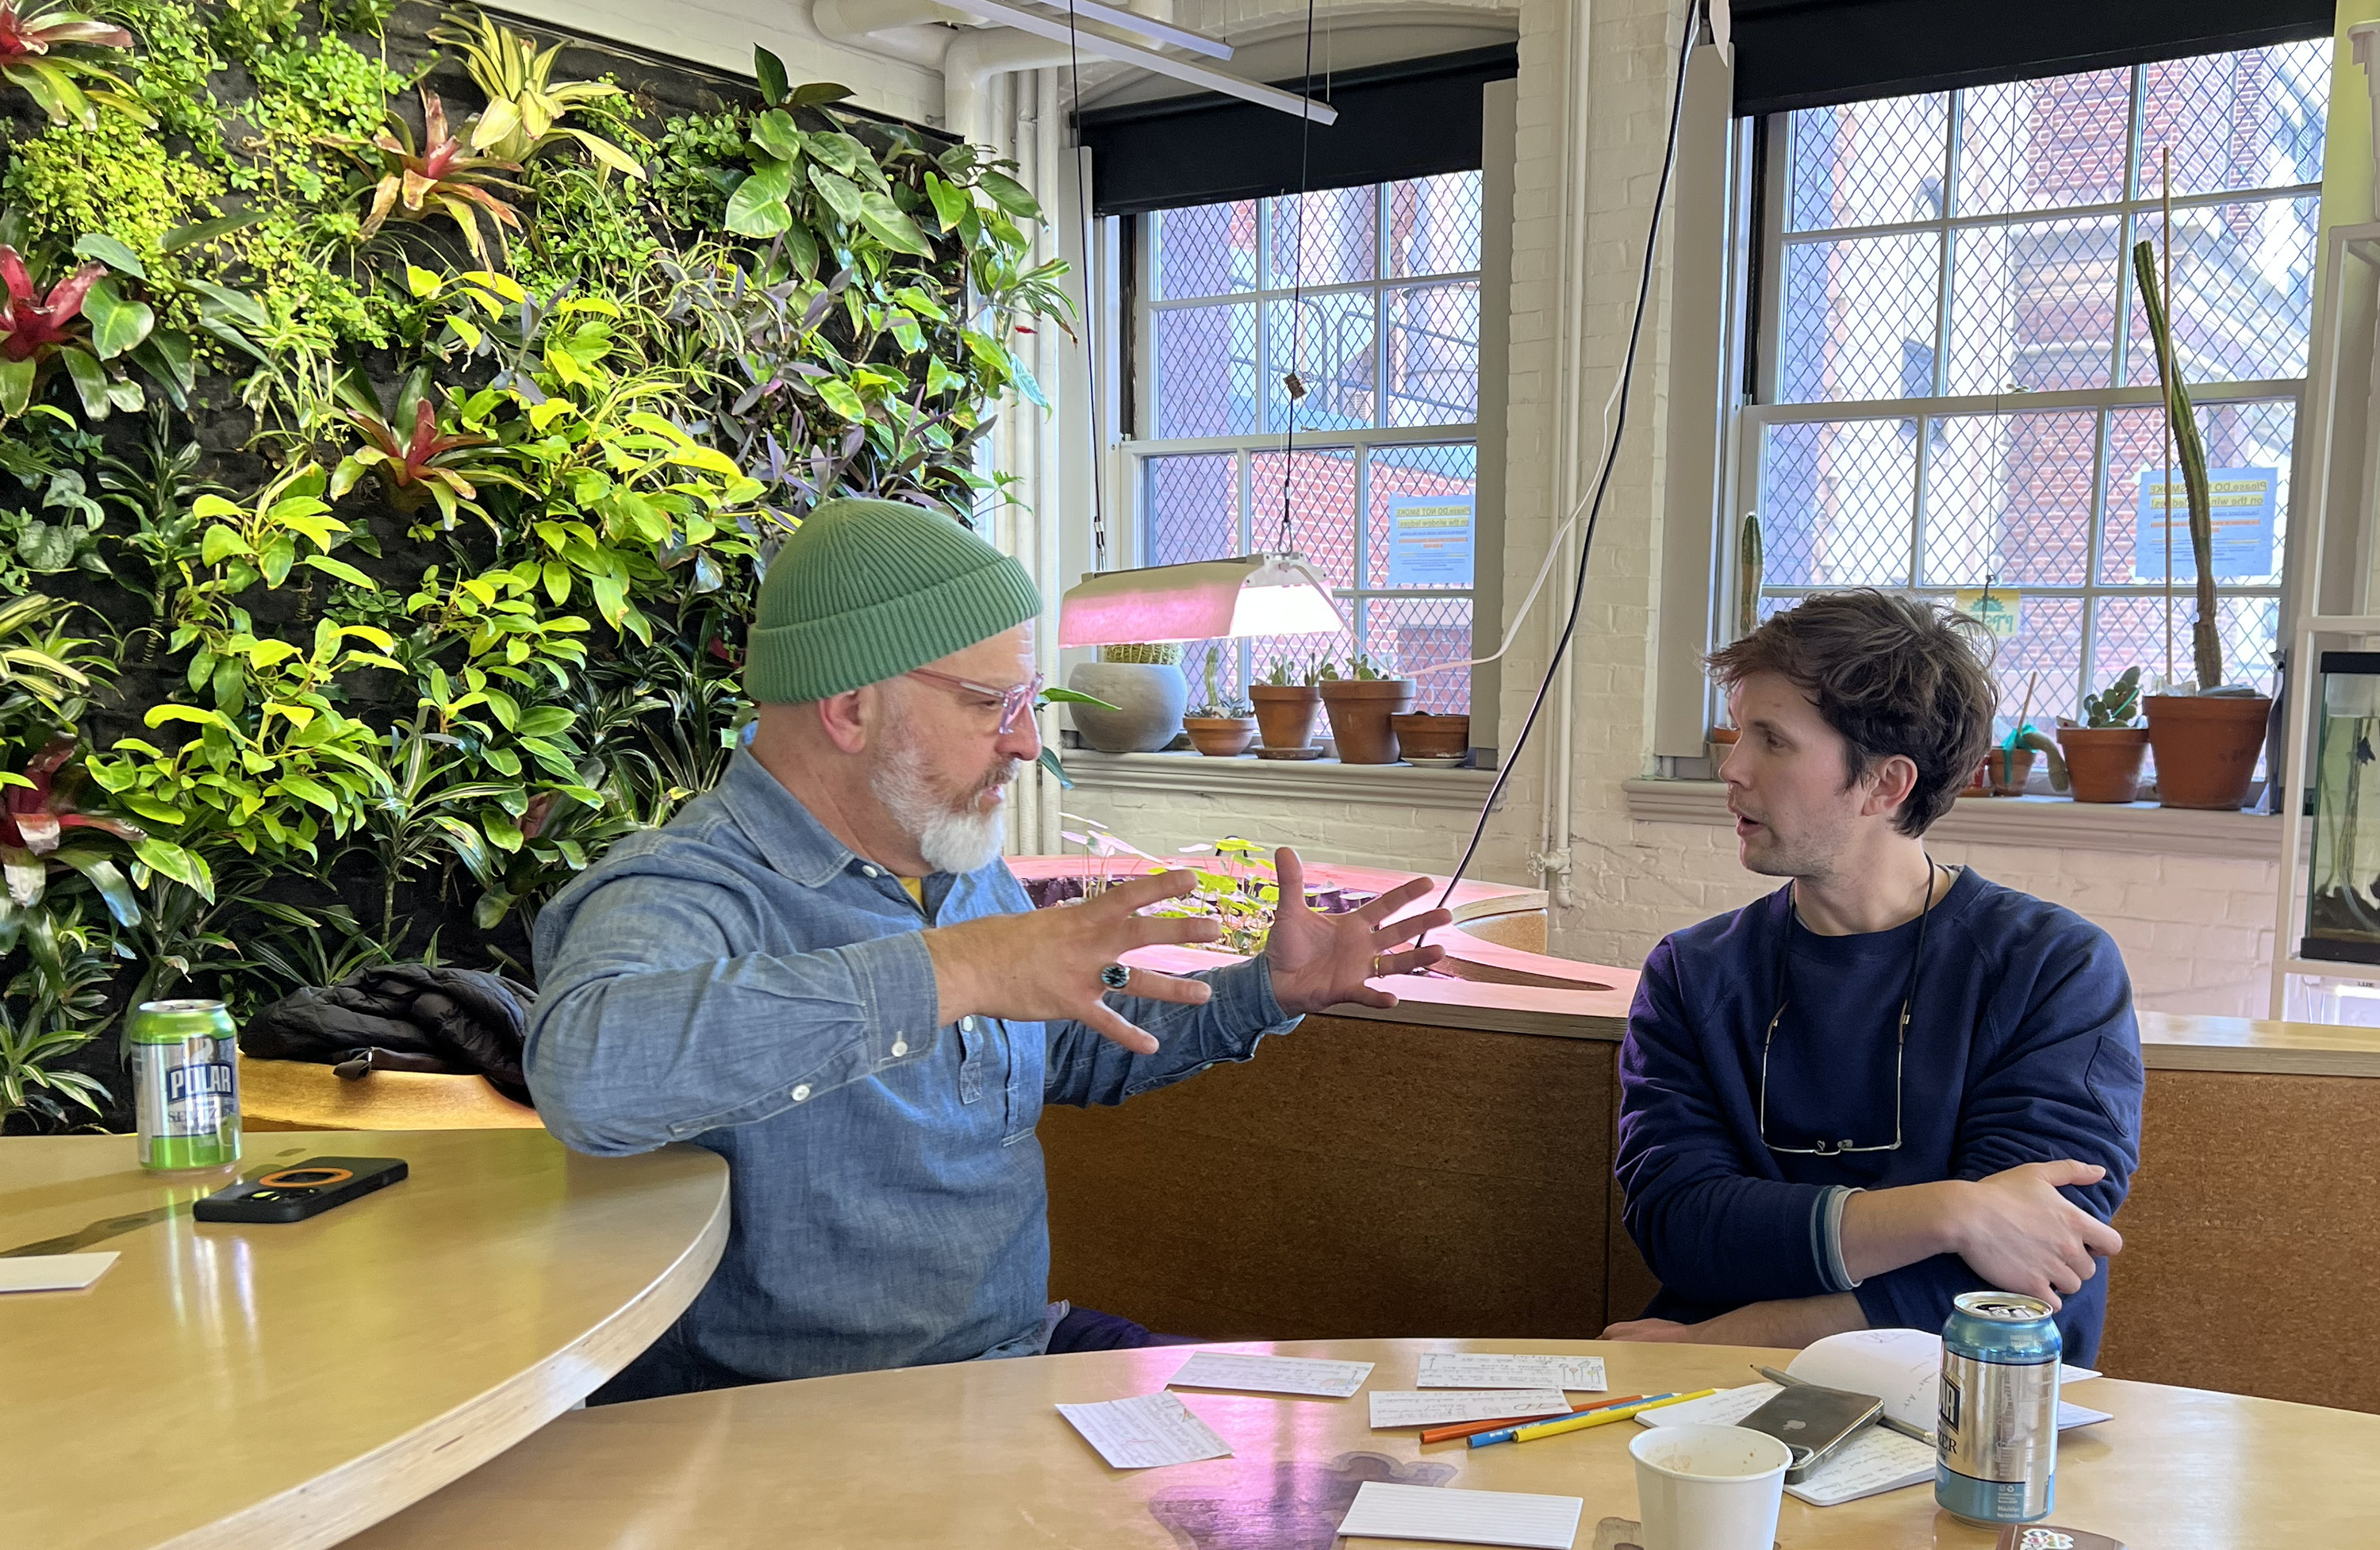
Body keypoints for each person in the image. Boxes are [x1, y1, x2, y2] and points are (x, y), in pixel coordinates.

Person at [528, 497, 1452, 1401]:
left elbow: (1072, 1044)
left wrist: (1269, 989)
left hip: (1014, 1360)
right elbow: (588, 1074)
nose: (1025, 741)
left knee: (1324, 1439)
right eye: (990, 703)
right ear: (850, 708)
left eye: (1027, 701)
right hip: (797, 1420)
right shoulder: (686, 887)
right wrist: (966, 967)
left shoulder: (953, 862)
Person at [1606, 590, 2144, 1364]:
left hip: (1973, 1422)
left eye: (1773, 740)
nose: (1732, 766)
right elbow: (1683, 1228)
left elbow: (2022, 1283)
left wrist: (1724, 1335)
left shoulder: (2053, 969)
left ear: (1886, 784)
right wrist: (1952, 1211)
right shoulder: (1693, 974)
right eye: (1738, 733)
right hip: (1725, 1421)